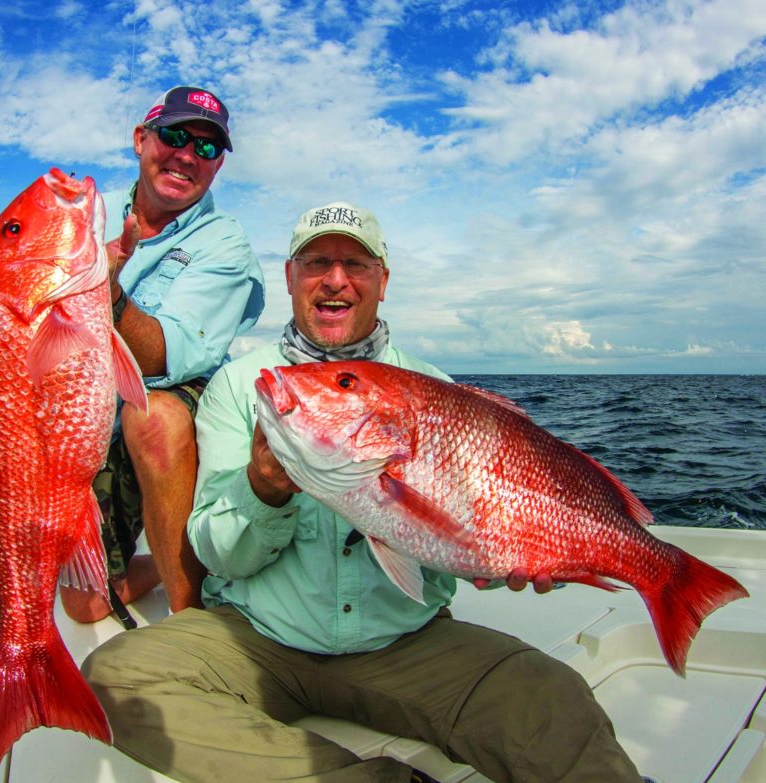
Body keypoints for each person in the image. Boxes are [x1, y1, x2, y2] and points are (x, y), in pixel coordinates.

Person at [81, 202, 643, 782]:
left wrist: (506, 555)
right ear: (291, 277)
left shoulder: (437, 390)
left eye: (356, 264)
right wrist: (263, 489)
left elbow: (469, 531)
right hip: (259, 638)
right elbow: (218, 554)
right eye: (317, 262)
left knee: (553, 699)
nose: (335, 279)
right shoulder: (244, 386)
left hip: (406, 642)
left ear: (382, 281)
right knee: (114, 680)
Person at [61, 86, 265, 622]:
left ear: (218, 166)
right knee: (84, 605)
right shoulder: (85, 220)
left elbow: (165, 358)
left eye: (206, 148)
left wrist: (104, 292)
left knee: (153, 416)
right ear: (140, 139)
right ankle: (167, 560)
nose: (186, 155)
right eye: (175, 135)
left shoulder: (225, 244)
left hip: (179, 402)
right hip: (91, 410)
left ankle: (191, 620)